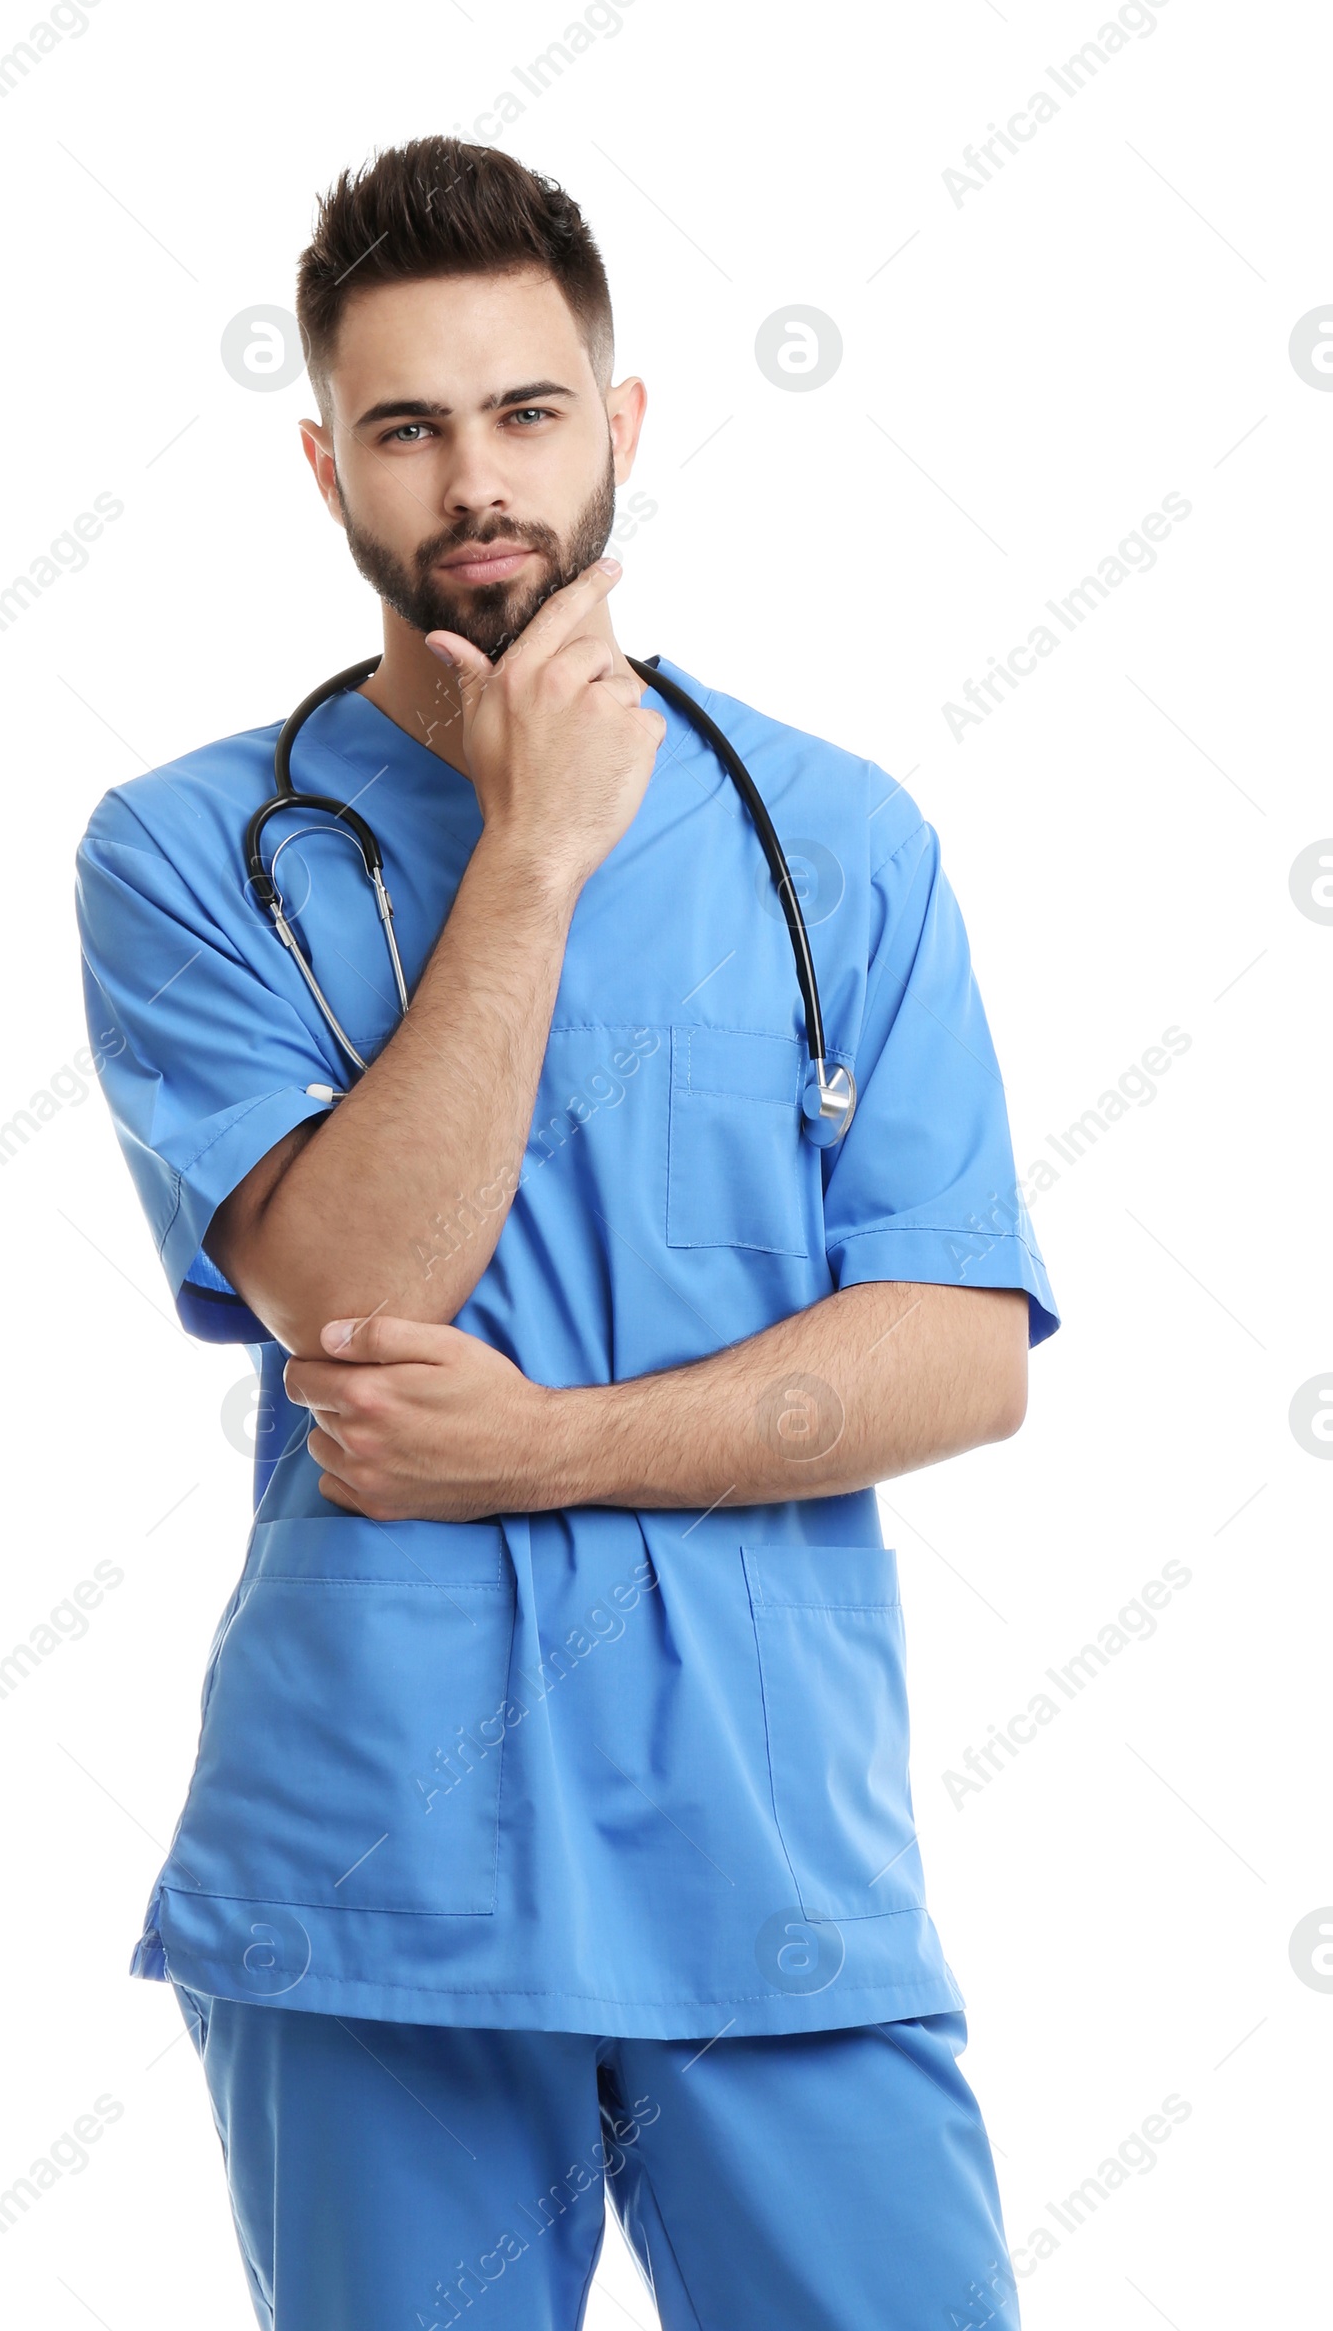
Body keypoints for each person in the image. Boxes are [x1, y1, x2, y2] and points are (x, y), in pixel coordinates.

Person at [75, 134, 1058, 2331]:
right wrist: (526, 860)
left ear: (615, 428)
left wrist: (546, 1446)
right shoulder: (187, 850)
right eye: (408, 428)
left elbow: (959, 1348)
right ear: (324, 463)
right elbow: (347, 1287)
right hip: (372, 1886)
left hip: (771, 1874)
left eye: (523, 413)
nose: (473, 480)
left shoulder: (834, 837)